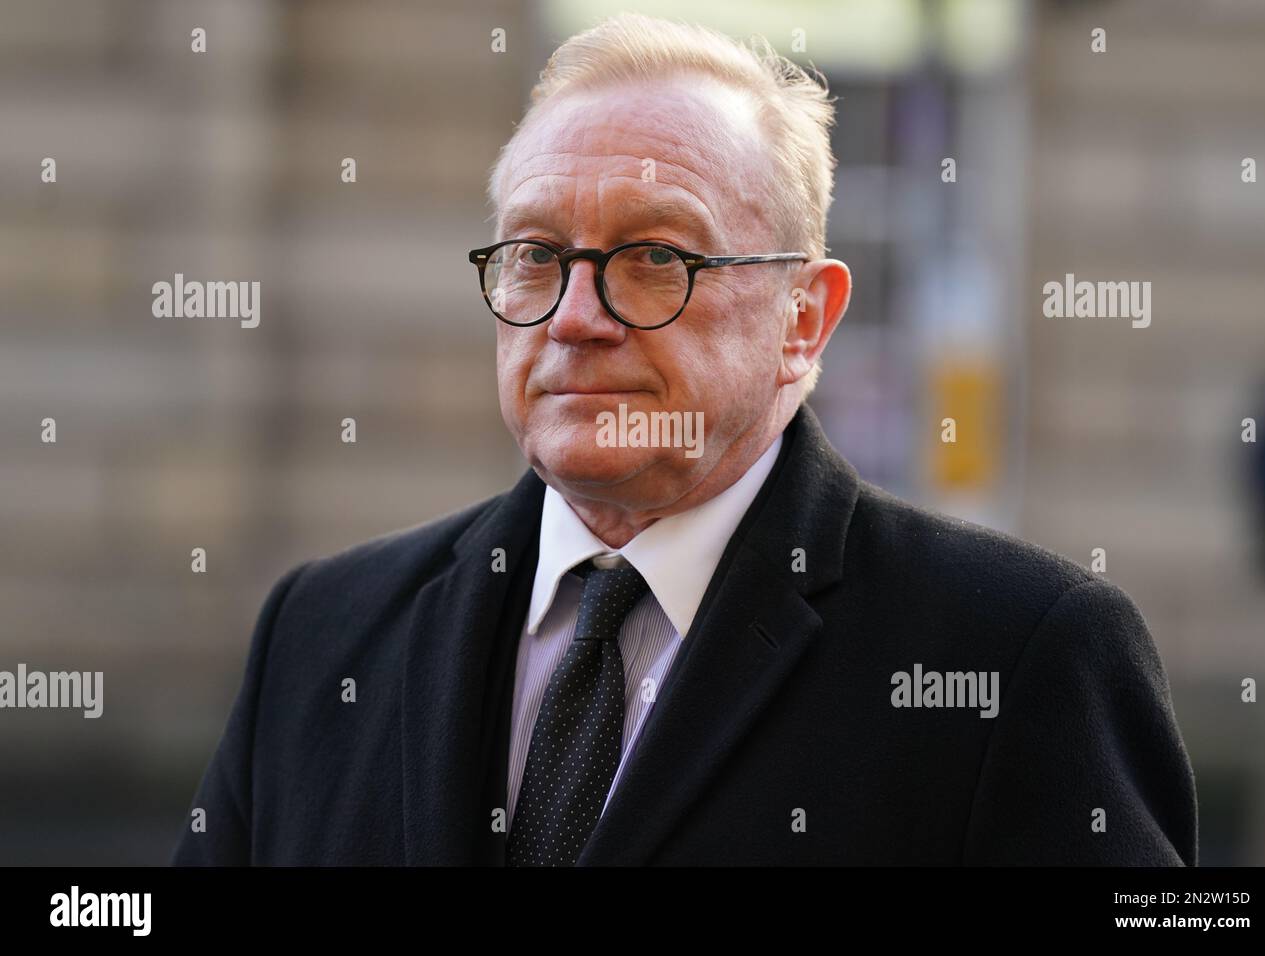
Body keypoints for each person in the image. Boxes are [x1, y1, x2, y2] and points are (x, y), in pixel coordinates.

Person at [171, 13, 1196, 866]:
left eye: (656, 255)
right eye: (536, 254)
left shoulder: (1020, 651)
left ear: (804, 318)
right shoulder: (323, 631)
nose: (576, 313)